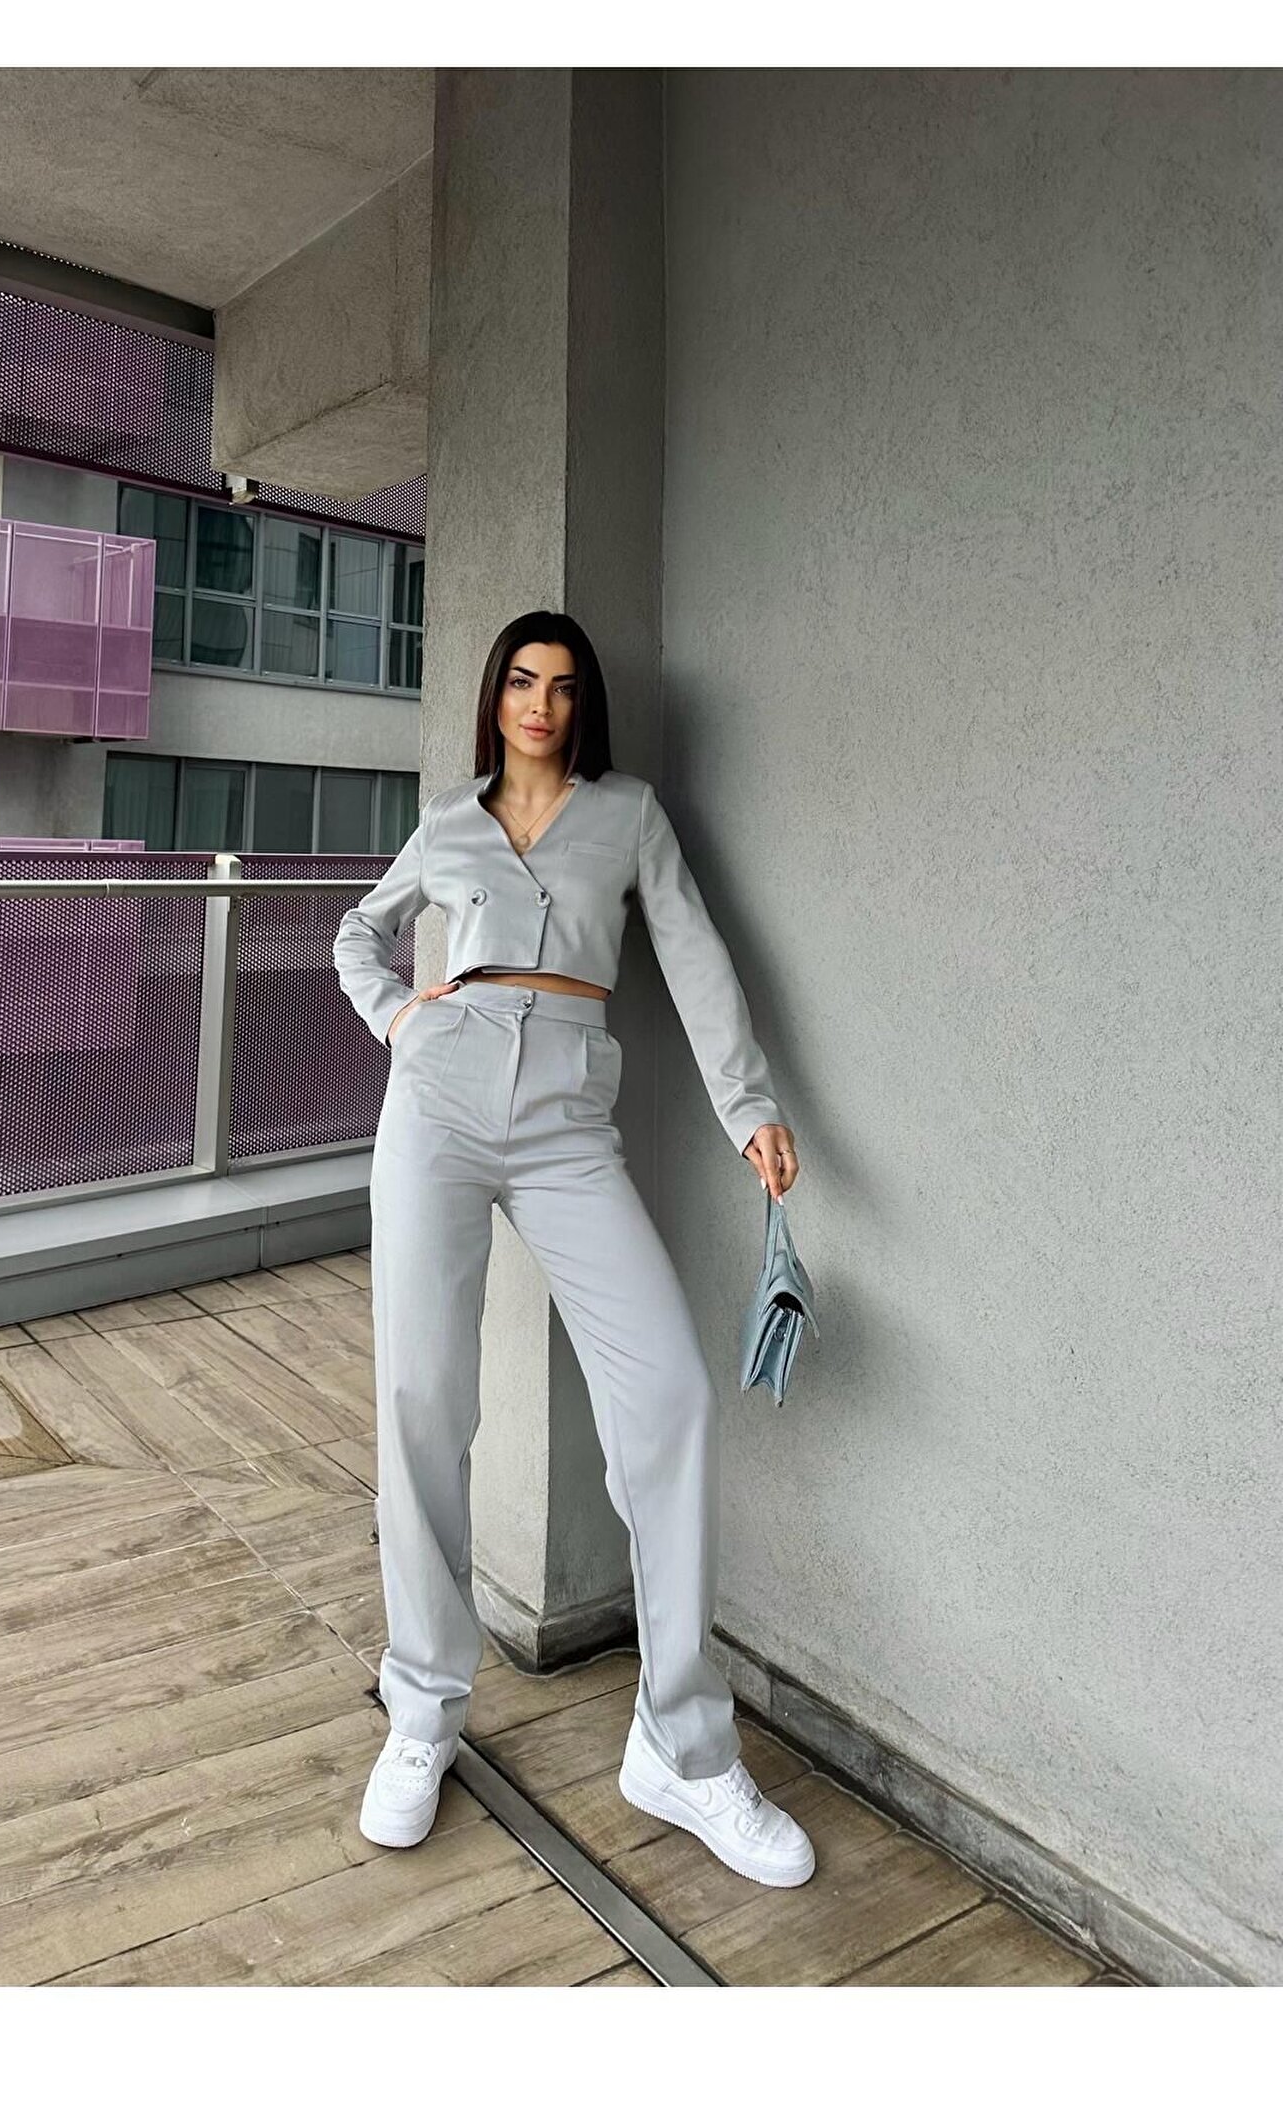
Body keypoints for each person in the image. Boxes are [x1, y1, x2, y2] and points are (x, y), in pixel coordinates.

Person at [333, 609, 814, 1889]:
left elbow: (697, 958)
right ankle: (423, 1708)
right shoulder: (447, 822)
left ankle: (683, 1745)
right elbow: (357, 933)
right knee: (423, 1401)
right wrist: (399, 1018)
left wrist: (750, 1109)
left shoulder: (630, 816)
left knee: (671, 1391)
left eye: (559, 686)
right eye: (520, 682)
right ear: (494, 698)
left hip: (565, 1118)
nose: (539, 704)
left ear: (579, 703)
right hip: (437, 1101)